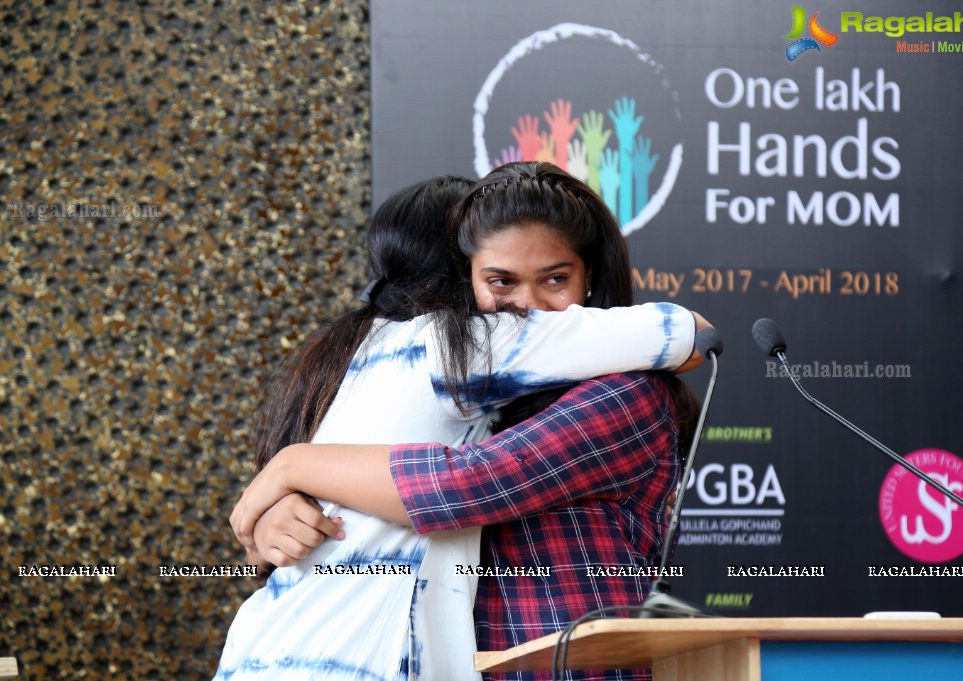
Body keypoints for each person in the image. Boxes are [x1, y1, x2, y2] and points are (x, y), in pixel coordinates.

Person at [218, 165, 708, 681]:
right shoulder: (443, 351)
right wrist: (275, 509)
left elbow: (468, 483)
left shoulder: (620, 392)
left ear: (590, 276)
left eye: (555, 278)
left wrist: (290, 468)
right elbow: (685, 332)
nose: (525, 307)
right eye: (498, 278)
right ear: (464, 277)